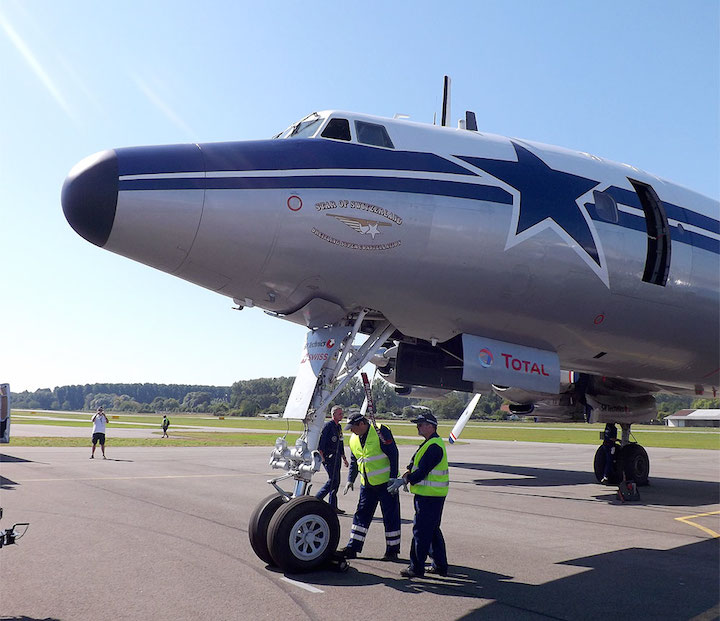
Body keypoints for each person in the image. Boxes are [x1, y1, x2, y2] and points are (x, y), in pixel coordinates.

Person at [339, 412, 401, 561]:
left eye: (353, 427)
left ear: (362, 424)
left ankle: (392, 551)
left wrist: (393, 478)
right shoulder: (354, 438)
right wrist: (350, 480)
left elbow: (393, 454)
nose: (351, 431)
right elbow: (355, 460)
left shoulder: (380, 431)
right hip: (367, 484)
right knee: (361, 515)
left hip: (386, 484)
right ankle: (353, 547)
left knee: (390, 517)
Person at [397, 411, 449, 578]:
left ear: (431, 426)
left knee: (421, 531)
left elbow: (422, 471)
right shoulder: (428, 443)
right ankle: (440, 565)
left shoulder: (434, 446)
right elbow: (414, 463)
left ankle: (416, 568)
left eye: (420, 425)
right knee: (432, 531)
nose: (418, 427)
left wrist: (407, 480)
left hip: (430, 496)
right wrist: (406, 473)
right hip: (430, 495)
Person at [316, 405, 349, 513]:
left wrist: (344, 457)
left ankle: (333, 506)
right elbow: (321, 442)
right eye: (340, 414)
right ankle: (317, 500)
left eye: (342, 413)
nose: (342, 415)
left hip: (336, 457)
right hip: (328, 457)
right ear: (333, 414)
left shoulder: (338, 427)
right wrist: (322, 457)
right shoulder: (328, 426)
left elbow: (340, 442)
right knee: (332, 481)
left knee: (336, 482)